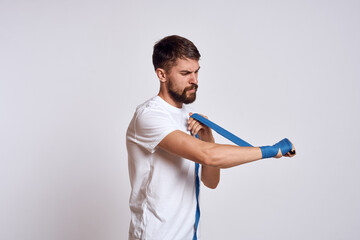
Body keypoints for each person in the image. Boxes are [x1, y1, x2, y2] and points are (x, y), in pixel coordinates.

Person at [126, 35, 296, 240]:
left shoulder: (188, 117)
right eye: (185, 73)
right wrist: (271, 150)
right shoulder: (149, 116)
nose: (194, 81)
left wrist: (207, 137)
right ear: (162, 75)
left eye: (197, 72)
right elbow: (209, 156)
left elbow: (210, 180)